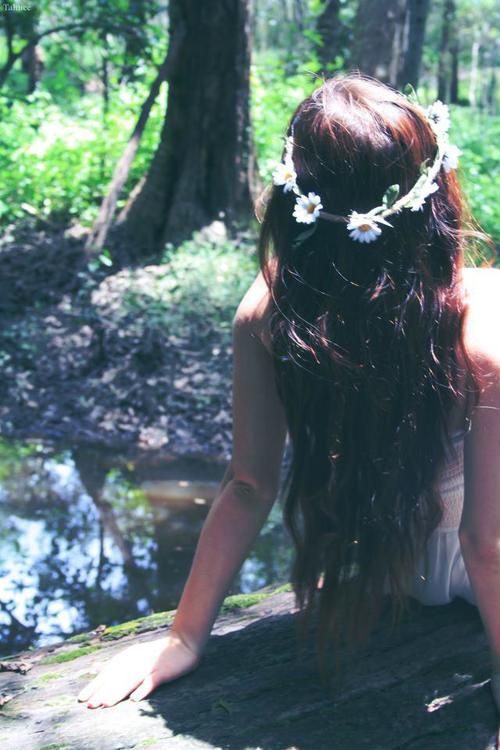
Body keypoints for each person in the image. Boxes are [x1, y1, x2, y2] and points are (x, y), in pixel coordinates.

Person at [78, 74, 500, 711]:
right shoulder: (484, 329)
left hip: (404, 571)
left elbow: (248, 484)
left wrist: (184, 636)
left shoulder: (271, 313)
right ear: (436, 197)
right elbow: (488, 543)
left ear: (294, 201)